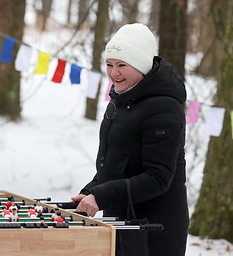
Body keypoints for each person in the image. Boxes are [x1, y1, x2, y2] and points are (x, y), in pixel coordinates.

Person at [71, 23, 189, 256]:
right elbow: (117, 162)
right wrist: (91, 190)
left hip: (155, 231)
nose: (114, 72)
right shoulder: (123, 100)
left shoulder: (163, 108)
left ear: (142, 66)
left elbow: (157, 178)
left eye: (122, 65)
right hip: (124, 223)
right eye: (109, 64)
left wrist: (102, 195)